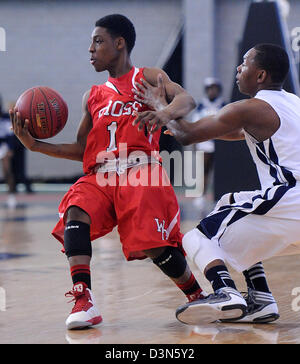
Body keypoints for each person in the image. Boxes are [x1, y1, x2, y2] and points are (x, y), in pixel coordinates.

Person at [10, 14, 206, 330]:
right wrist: (34, 145)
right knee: (75, 211)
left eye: (98, 41)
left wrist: (164, 112)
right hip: (101, 174)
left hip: (139, 171)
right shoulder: (93, 96)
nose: (91, 49)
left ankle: (196, 295)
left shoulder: (148, 76)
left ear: (119, 43)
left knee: (153, 245)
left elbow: (187, 99)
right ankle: (83, 299)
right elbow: (81, 148)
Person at [133, 43, 297, 325]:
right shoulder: (293, 103)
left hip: (289, 198)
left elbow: (187, 134)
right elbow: (233, 132)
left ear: (260, 76)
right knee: (228, 203)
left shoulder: (250, 107)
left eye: (244, 63)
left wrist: (161, 105)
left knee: (197, 238)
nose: (238, 68)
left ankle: (224, 292)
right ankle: (260, 299)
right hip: (291, 212)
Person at [191, 77, 226, 213]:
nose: (212, 91)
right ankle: (201, 196)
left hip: (221, 144)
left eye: (215, 88)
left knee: (220, 172)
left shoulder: (223, 105)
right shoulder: (201, 106)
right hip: (204, 144)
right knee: (203, 171)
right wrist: (194, 143)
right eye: (210, 88)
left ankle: (219, 196)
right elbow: (195, 124)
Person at [0, 95, 17, 209]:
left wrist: (10, 148)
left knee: (7, 171)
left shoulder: (5, 117)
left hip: (3, 144)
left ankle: (11, 195)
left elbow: (10, 134)